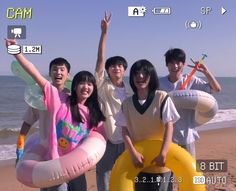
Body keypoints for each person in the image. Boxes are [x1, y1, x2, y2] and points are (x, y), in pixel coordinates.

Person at [6, 39, 106, 191]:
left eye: (62, 70)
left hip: (75, 162)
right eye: (55, 69)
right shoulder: (57, 99)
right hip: (53, 162)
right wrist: (15, 51)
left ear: (68, 75)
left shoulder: (91, 111)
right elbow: (33, 73)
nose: (58, 72)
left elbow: (98, 134)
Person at [116, 59, 180, 191]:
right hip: (138, 163)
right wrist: (133, 153)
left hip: (161, 163)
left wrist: (163, 153)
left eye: (145, 73)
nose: (140, 76)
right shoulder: (127, 104)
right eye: (136, 73)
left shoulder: (162, 97)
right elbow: (124, 131)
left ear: (151, 76)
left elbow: (169, 126)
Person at [159, 48, 221, 158]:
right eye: (171, 63)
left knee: (190, 171)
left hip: (186, 135)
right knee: (168, 172)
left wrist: (206, 71)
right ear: (167, 65)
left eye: (178, 62)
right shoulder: (160, 83)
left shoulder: (191, 80)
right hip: (165, 137)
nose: (175, 66)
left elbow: (216, 89)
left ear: (183, 64)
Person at [95, 13, 133, 191]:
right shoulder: (103, 87)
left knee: (128, 173)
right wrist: (104, 33)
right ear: (108, 71)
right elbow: (100, 61)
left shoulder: (132, 88)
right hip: (109, 138)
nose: (116, 68)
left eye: (120, 65)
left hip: (130, 139)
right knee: (103, 173)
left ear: (124, 70)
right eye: (113, 66)